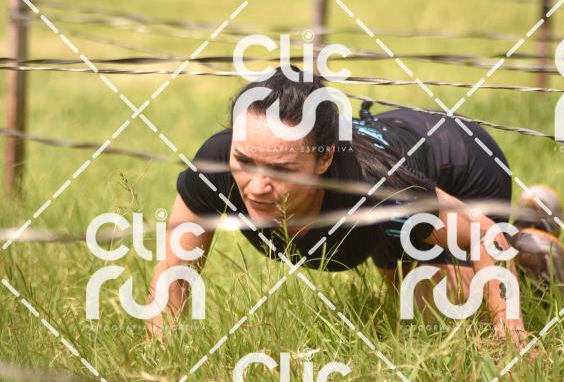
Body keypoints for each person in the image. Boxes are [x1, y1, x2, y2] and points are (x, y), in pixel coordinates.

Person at [147, 69, 528, 345]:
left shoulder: (376, 190)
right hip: (392, 161)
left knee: (448, 310)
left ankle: (532, 247)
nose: (257, 187)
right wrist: (160, 354)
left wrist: (510, 336)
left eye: (281, 170)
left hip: (458, 160)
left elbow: (486, 235)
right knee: (405, 287)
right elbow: (175, 272)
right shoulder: (215, 166)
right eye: (244, 161)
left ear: (324, 159)